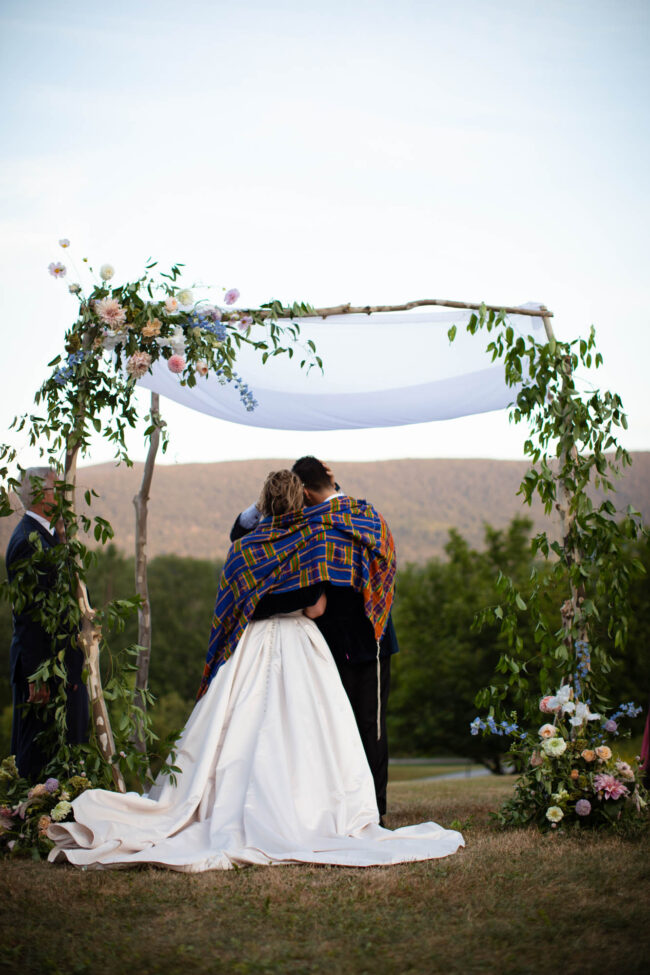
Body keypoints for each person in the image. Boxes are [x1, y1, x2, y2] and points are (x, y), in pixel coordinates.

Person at [48, 471, 464, 870]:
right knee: (309, 729)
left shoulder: (244, 549)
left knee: (234, 727)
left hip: (249, 646)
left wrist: (260, 606)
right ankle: (310, 811)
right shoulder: (311, 543)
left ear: (262, 502)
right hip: (302, 644)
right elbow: (317, 607)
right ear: (301, 502)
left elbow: (232, 607)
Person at [230, 457, 397, 820]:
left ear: (304, 493)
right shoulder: (362, 514)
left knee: (368, 729)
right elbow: (244, 533)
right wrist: (281, 494)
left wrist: (270, 497)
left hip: (366, 641)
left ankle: (373, 811)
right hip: (323, 647)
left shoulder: (326, 521)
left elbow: (238, 532)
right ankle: (347, 809)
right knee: (334, 731)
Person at [6, 467, 88, 781]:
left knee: (65, 753)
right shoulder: (29, 540)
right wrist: (37, 674)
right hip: (46, 672)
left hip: (62, 664)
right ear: (43, 495)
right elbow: (29, 614)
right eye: (59, 488)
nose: (66, 494)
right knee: (39, 757)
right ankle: (36, 824)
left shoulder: (49, 534)